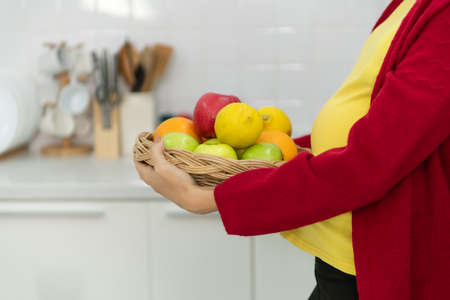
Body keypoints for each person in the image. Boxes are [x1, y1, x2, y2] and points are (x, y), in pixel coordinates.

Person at [135, 0, 450, 299]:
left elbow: (371, 162)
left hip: (373, 270)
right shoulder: (413, 5)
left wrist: (208, 198)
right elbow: (380, 126)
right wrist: (261, 149)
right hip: (347, 261)